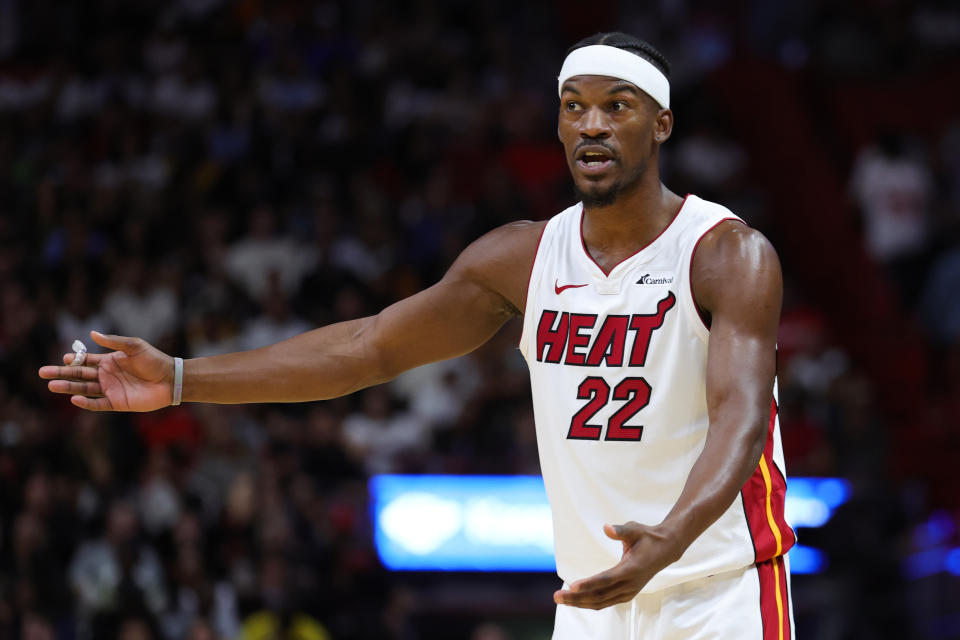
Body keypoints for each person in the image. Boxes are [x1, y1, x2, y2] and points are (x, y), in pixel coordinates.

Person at [40, 32, 795, 640]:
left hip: (715, 587)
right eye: (574, 106)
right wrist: (179, 378)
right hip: (593, 600)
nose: (591, 124)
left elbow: (741, 416)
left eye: (617, 106)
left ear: (661, 123)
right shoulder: (523, 257)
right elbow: (367, 348)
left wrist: (669, 539)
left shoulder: (726, 253)